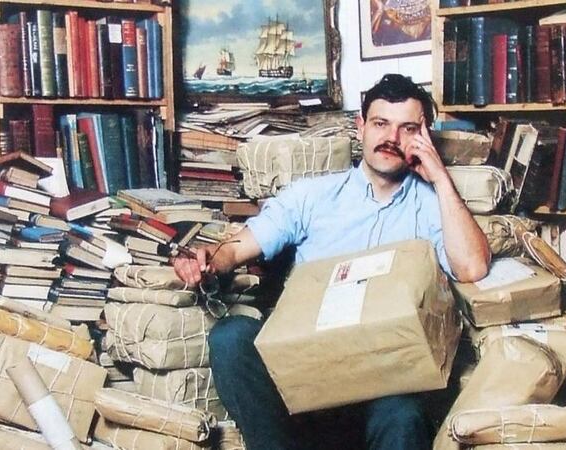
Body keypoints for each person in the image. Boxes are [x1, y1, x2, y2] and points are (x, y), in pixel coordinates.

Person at [173, 73, 491, 450]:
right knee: (231, 338)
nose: (390, 138)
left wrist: (439, 177)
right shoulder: (313, 196)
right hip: (306, 379)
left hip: (387, 383)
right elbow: (239, 247)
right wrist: (211, 259)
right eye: (380, 123)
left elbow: (472, 268)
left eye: (407, 128)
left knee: (403, 416)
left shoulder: (432, 205)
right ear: (360, 127)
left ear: (424, 138)